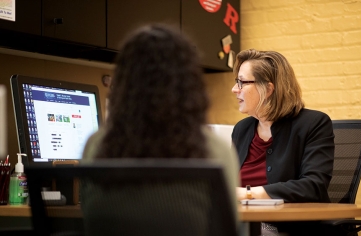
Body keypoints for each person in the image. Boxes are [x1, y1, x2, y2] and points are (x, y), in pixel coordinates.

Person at [81, 24, 239, 235]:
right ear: (190, 86)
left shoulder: (96, 144)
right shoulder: (215, 150)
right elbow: (228, 227)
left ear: (122, 82)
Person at [231, 49, 335, 234]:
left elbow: (314, 185)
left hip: (289, 229)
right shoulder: (242, 129)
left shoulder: (314, 124)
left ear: (268, 89)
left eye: (242, 82)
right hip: (244, 224)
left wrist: (247, 193)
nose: (234, 89)